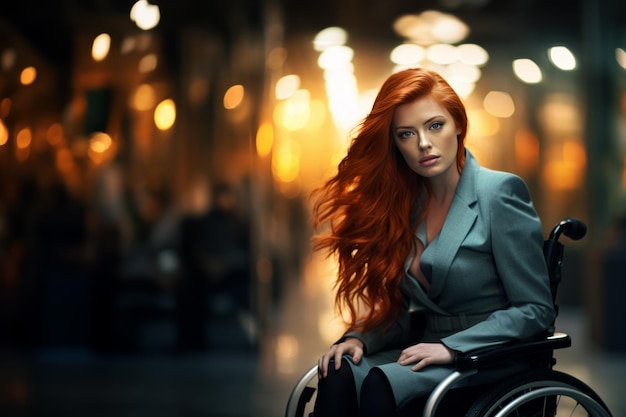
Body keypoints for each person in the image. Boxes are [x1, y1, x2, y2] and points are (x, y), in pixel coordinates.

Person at [310, 67, 556, 417]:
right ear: (395, 143)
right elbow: (399, 314)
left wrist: (452, 348)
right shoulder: (404, 207)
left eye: (434, 125)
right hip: (425, 347)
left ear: (458, 123)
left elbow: (536, 309)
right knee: (340, 371)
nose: (423, 143)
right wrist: (357, 340)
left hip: (488, 357)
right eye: (406, 134)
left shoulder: (499, 193)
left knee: (382, 385)